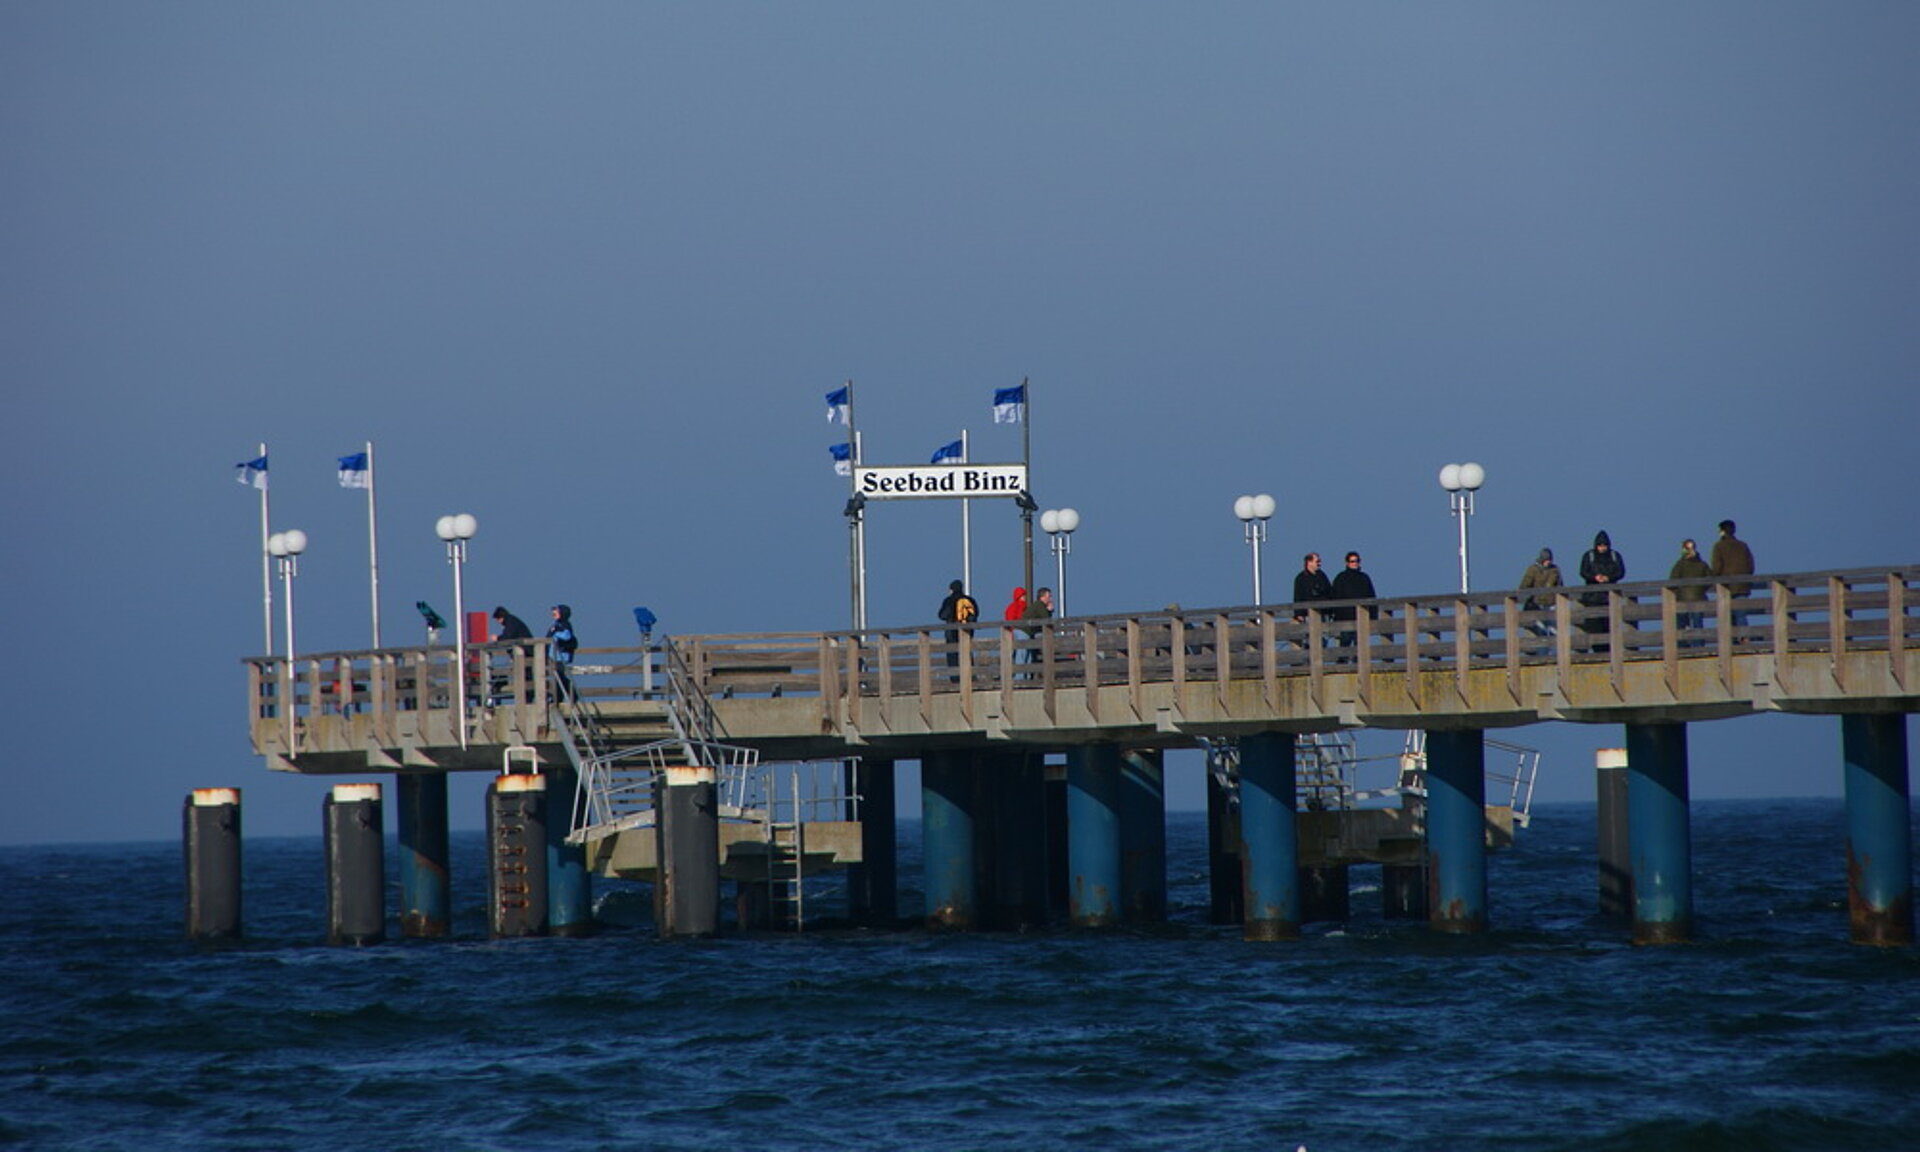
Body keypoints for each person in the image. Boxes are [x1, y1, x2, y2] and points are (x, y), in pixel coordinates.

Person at [1578, 531, 1626, 647]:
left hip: (1610, 598)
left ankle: (1611, 650)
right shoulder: (1589, 556)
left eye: (1604, 545)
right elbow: (1583, 572)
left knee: (1611, 626)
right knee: (1593, 627)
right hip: (1592, 598)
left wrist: (1609, 578)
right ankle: (1596, 650)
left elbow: (1621, 572)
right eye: (1600, 545)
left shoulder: (1615, 556)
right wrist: (1595, 577)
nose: (1602, 548)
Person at [1709, 519, 1755, 633]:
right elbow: (1751, 565)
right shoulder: (1743, 545)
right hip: (1743, 585)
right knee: (1741, 613)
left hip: (1726, 587)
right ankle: (1744, 638)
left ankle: (1736, 640)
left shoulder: (1719, 546)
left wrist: (1712, 579)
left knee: (1728, 616)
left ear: (1723, 531)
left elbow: (1717, 567)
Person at [1329, 551, 1377, 647]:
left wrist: (1373, 616)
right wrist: (1335, 616)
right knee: (1344, 644)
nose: (1355, 563)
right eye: (1352, 561)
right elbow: (1334, 597)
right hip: (1345, 618)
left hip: (1362, 617)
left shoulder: (1364, 578)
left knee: (1361, 645)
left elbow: (1371, 596)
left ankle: (1358, 661)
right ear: (1347, 563)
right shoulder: (1341, 578)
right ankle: (1343, 661)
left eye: (1357, 561)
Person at [1669, 539, 1712, 644]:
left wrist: (1677, 592)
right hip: (1698, 598)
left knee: (1681, 625)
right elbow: (1711, 579)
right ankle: (1699, 646)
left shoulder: (1680, 564)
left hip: (1682, 599)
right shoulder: (1702, 564)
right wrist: (1701, 589)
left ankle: (1682, 646)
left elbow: (1672, 581)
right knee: (1697, 624)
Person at [1519, 548, 1562, 637]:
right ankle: (1542, 650)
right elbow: (1524, 586)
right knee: (1541, 631)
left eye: (1550, 560)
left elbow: (1560, 586)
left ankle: (1555, 650)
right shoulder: (1533, 569)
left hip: (1552, 604)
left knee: (1554, 631)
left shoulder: (1555, 570)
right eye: (1546, 560)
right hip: (1538, 604)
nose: (1548, 562)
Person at [936, 579, 978, 670]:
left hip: (952, 633)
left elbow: (942, 615)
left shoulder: (949, 600)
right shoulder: (969, 600)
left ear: (951, 589)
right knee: (967, 653)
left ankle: (955, 677)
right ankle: (970, 675)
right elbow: (976, 614)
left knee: (953, 655)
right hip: (967, 632)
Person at [547, 604, 579, 699]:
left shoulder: (564, 624)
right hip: (554, 656)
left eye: (556, 611)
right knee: (557, 676)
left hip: (562, 656)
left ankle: (569, 695)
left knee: (560, 676)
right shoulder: (556, 624)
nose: (553, 613)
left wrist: (556, 634)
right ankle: (558, 696)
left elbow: (567, 636)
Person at [1292, 553, 1333, 624]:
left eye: (1320, 561)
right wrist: (1298, 614)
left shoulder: (1322, 575)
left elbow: (1329, 591)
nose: (1320, 563)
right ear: (1309, 562)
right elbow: (1298, 597)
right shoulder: (1301, 578)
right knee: (1311, 633)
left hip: (1323, 613)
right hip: (1308, 614)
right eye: (1317, 561)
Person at [1004, 587, 1030, 664]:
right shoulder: (1022, 606)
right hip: (1019, 632)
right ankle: (1022, 674)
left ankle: (1016, 673)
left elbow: (1009, 619)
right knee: (1022, 653)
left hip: (1011, 633)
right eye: (1023, 595)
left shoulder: (1011, 607)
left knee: (1014, 655)